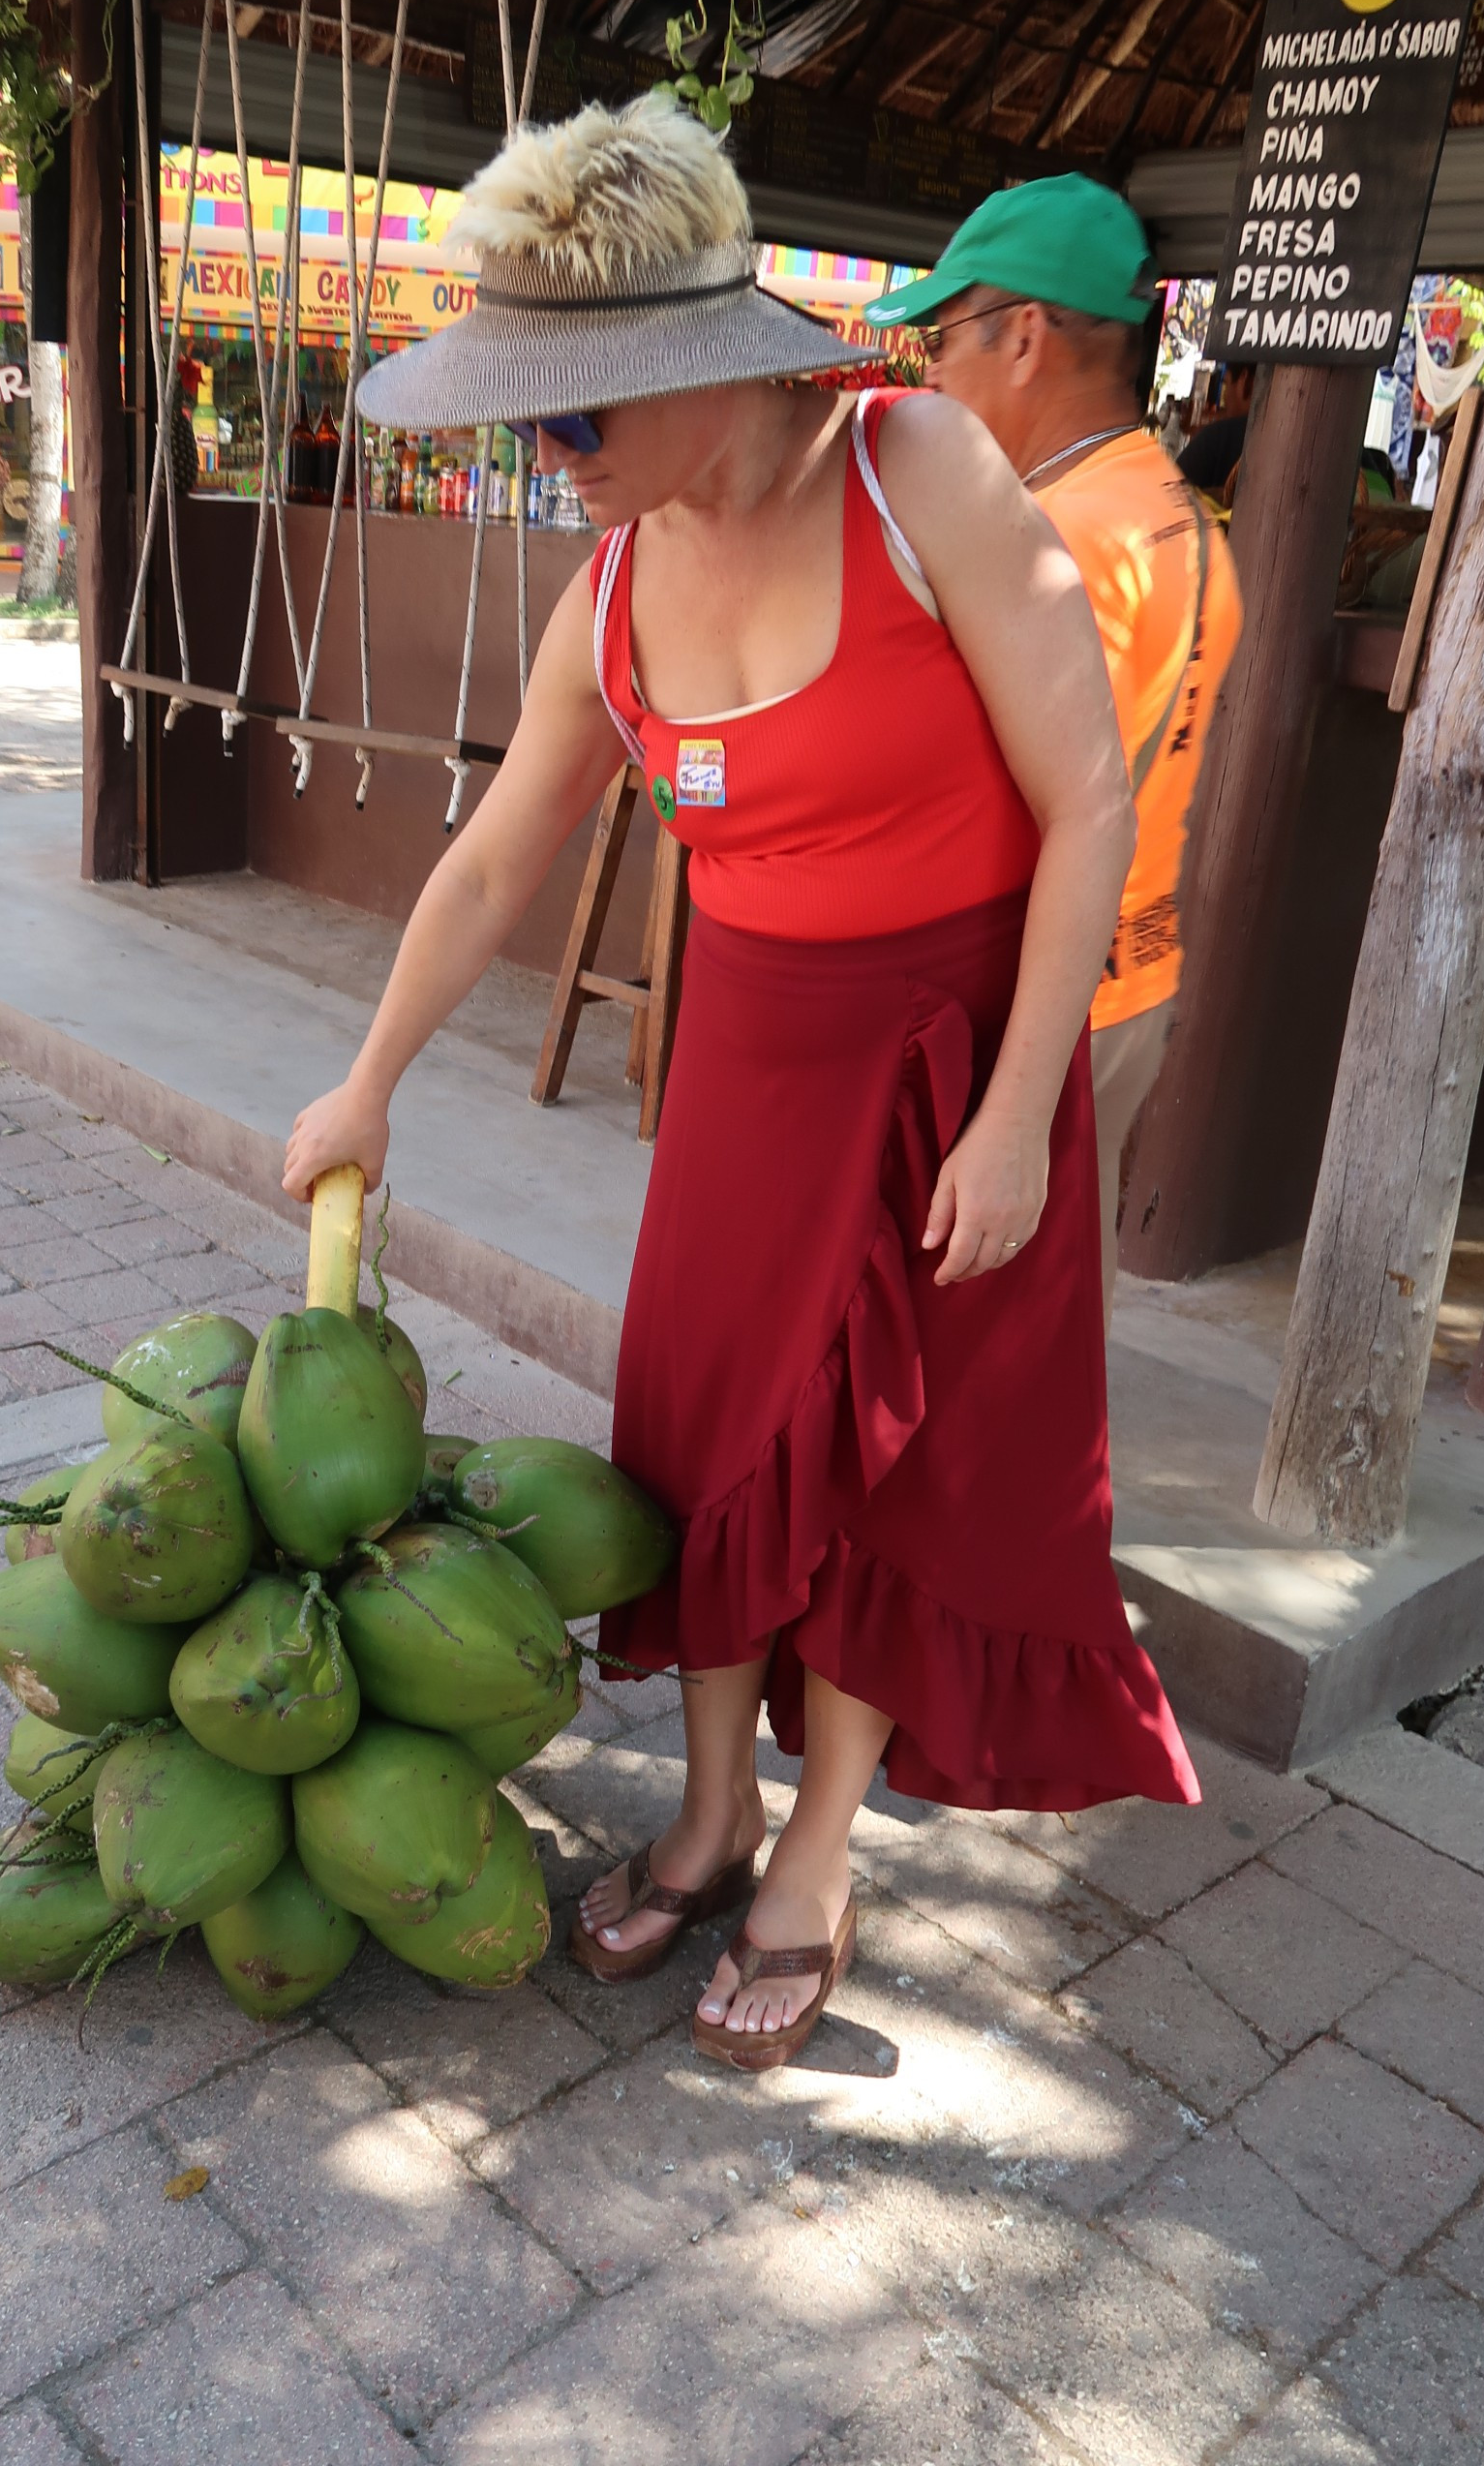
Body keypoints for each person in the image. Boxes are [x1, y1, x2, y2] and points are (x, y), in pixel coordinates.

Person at [282, 100, 1196, 2073]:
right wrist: (366, 1083)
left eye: (572, 421)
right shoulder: (609, 580)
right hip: (748, 1064)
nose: (551, 461)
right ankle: (704, 1813)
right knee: (705, 1442)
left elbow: (1087, 802)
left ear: (688, 366)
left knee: (895, 1462)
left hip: (957, 1053)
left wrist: (1023, 1107)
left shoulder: (916, 466)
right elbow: (499, 848)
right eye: (525, 424)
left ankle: (816, 1857)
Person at [867, 179, 1243, 1321]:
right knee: (1036, 1307)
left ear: (1021, 335)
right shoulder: (1173, 511)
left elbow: (968, 795)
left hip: (1035, 1001)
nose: (928, 373)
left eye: (939, 339)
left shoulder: (1048, 540)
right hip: (1131, 975)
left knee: (967, 1329)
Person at [1176, 361, 1254, 500]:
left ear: (1244, 381)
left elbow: (1162, 499)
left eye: (1225, 384)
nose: (1225, 397)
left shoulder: (1217, 439)